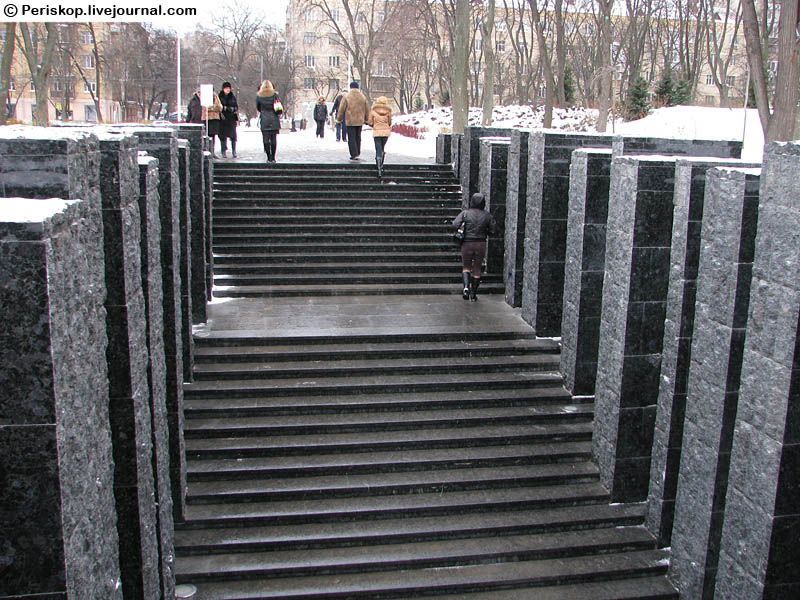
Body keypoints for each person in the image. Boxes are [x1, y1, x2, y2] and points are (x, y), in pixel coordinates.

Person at [451, 193, 497, 301]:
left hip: (467, 243)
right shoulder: (487, 215)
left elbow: (454, 225)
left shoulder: (465, 213)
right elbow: (493, 230)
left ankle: (466, 287)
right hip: (480, 244)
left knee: (466, 266)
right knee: (477, 268)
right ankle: (473, 294)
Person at [336, 81, 369, 161]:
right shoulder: (362, 97)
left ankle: (353, 154)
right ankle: (357, 152)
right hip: (360, 120)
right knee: (358, 137)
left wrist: (339, 119)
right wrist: (366, 119)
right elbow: (367, 109)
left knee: (351, 138)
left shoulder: (347, 96)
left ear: (350, 87)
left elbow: (341, 109)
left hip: (350, 120)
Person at [186, 88, 223, 157]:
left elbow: (219, 107)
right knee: (199, 138)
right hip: (196, 122)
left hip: (208, 120)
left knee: (210, 136)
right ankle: (201, 152)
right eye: (198, 92)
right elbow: (189, 111)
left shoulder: (210, 98)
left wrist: (210, 109)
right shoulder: (193, 100)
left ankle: (211, 151)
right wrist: (188, 121)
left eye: (200, 92)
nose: (199, 94)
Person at [256, 79, 282, 163]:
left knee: (266, 139)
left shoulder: (259, 96)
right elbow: (278, 107)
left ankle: (268, 157)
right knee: (273, 139)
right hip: (274, 118)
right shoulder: (274, 95)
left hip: (264, 119)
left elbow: (258, 108)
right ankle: (273, 157)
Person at [366, 96, 392, 179]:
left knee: (378, 149)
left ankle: (379, 168)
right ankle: (381, 164)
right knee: (382, 148)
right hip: (386, 133)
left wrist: (373, 124)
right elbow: (390, 122)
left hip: (377, 132)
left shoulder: (373, 111)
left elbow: (370, 122)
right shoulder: (388, 111)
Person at [218, 82, 238, 158]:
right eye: (226, 88)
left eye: (229, 88)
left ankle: (234, 151)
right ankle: (223, 151)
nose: (227, 90)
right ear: (223, 89)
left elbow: (236, 106)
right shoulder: (220, 96)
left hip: (231, 118)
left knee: (233, 136)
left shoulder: (232, 97)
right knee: (223, 136)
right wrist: (225, 108)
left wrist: (232, 109)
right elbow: (219, 106)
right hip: (223, 119)